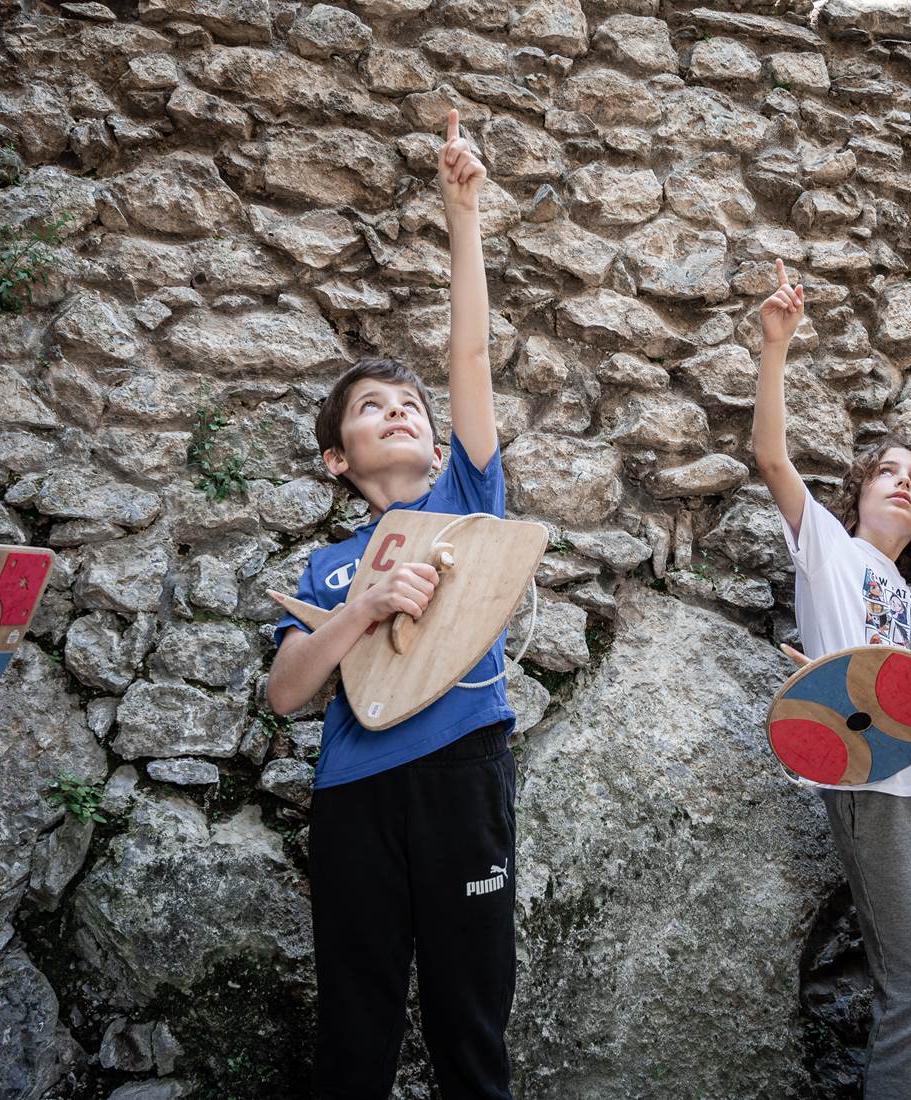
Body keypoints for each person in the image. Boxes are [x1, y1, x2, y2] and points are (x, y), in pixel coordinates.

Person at [266, 110, 516, 1099]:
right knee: (354, 1026)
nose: (398, 410)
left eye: (407, 403)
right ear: (338, 460)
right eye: (370, 408)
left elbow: (471, 357)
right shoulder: (328, 565)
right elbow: (286, 692)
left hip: (464, 771)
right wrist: (363, 605)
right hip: (353, 793)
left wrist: (463, 216)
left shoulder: (467, 498)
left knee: (470, 1021)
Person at [753, 259, 911, 1099]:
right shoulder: (830, 552)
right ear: (861, 491)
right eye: (890, 472)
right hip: (871, 781)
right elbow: (771, 456)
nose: (905, 485)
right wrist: (776, 345)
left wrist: (889, 680)